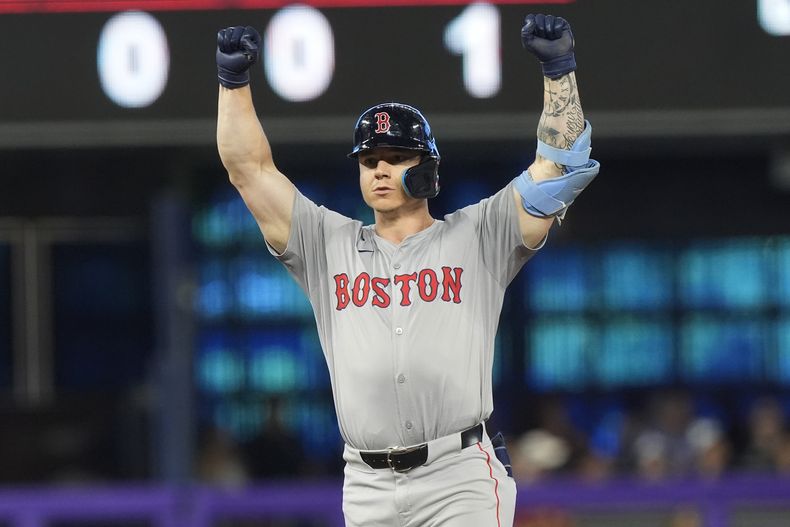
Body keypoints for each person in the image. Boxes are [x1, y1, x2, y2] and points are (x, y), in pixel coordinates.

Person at [216, 13, 599, 526]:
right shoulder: (325, 244)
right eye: (369, 158)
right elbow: (250, 171)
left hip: (457, 476)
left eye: (395, 157)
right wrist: (233, 85)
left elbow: (563, 167)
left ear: (427, 169)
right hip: (368, 483)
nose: (378, 169)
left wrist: (560, 74)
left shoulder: (478, 234)